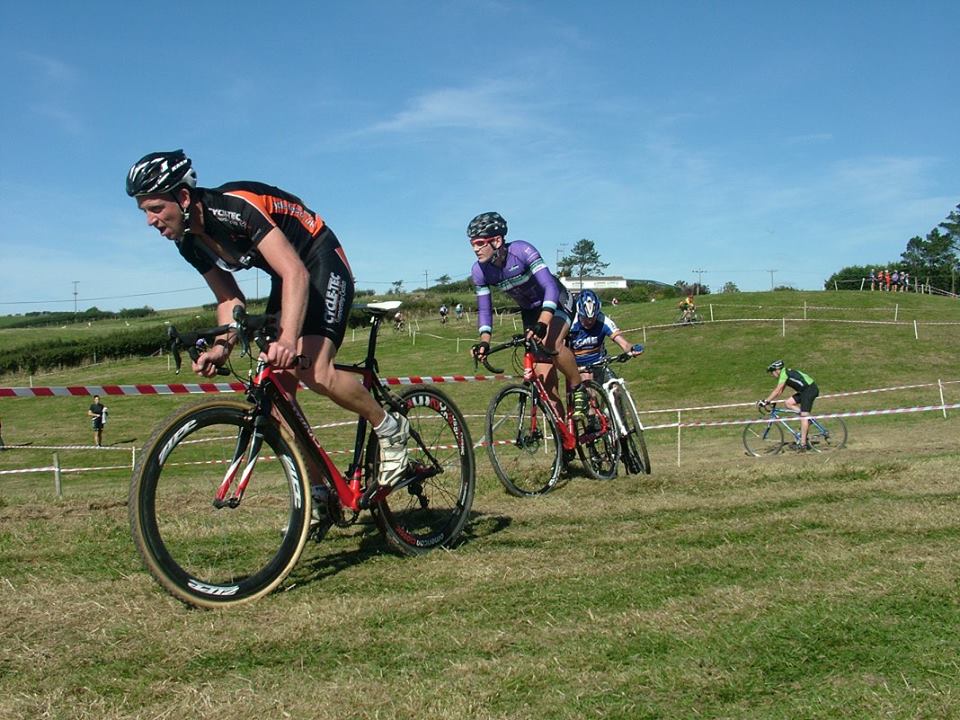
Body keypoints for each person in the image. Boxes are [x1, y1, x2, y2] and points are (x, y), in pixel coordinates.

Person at [126, 150, 409, 487]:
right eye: (145, 211)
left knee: (313, 368)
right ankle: (318, 491)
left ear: (183, 197)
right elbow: (229, 298)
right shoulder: (189, 243)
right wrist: (221, 348)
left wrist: (288, 340)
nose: (151, 221)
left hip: (317, 259)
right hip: (286, 275)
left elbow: (296, 273)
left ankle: (389, 427)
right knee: (277, 396)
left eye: (156, 208)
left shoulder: (234, 207)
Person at [467, 211, 588, 416]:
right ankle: (565, 442)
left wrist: (543, 321)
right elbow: (485, 309)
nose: (475, 249)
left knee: (552, 343)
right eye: (472, 244)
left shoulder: (522, 250)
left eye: (480, 243)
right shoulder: (479, 271)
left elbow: (549, 285)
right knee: (546, 387)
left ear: (496, 241)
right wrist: (484, 341)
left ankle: (579, 389)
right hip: (530, 311)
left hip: (555, 300)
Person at [568, 290, 643, 383]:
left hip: (599, 362)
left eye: (593, 318)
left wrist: (632, 348)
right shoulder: (570, 324)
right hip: (578, 365)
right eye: (586, 318)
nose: (590, 321)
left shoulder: (603, 320)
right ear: (579, 314)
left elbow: (624, 343)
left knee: (615, 387)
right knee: (590, 389)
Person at [758, 360, 820, 451]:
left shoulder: (784, 374)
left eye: (772, 373)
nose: (772, 375)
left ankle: (803, 444)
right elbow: (779, 392)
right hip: (804, 390)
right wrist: (769, 401)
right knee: (788, 403)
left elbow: (776, 390)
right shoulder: (785, 373)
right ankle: (808, 419)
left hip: (809, 390)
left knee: (803, 417)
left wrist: (766, 401)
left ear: (776, 370)